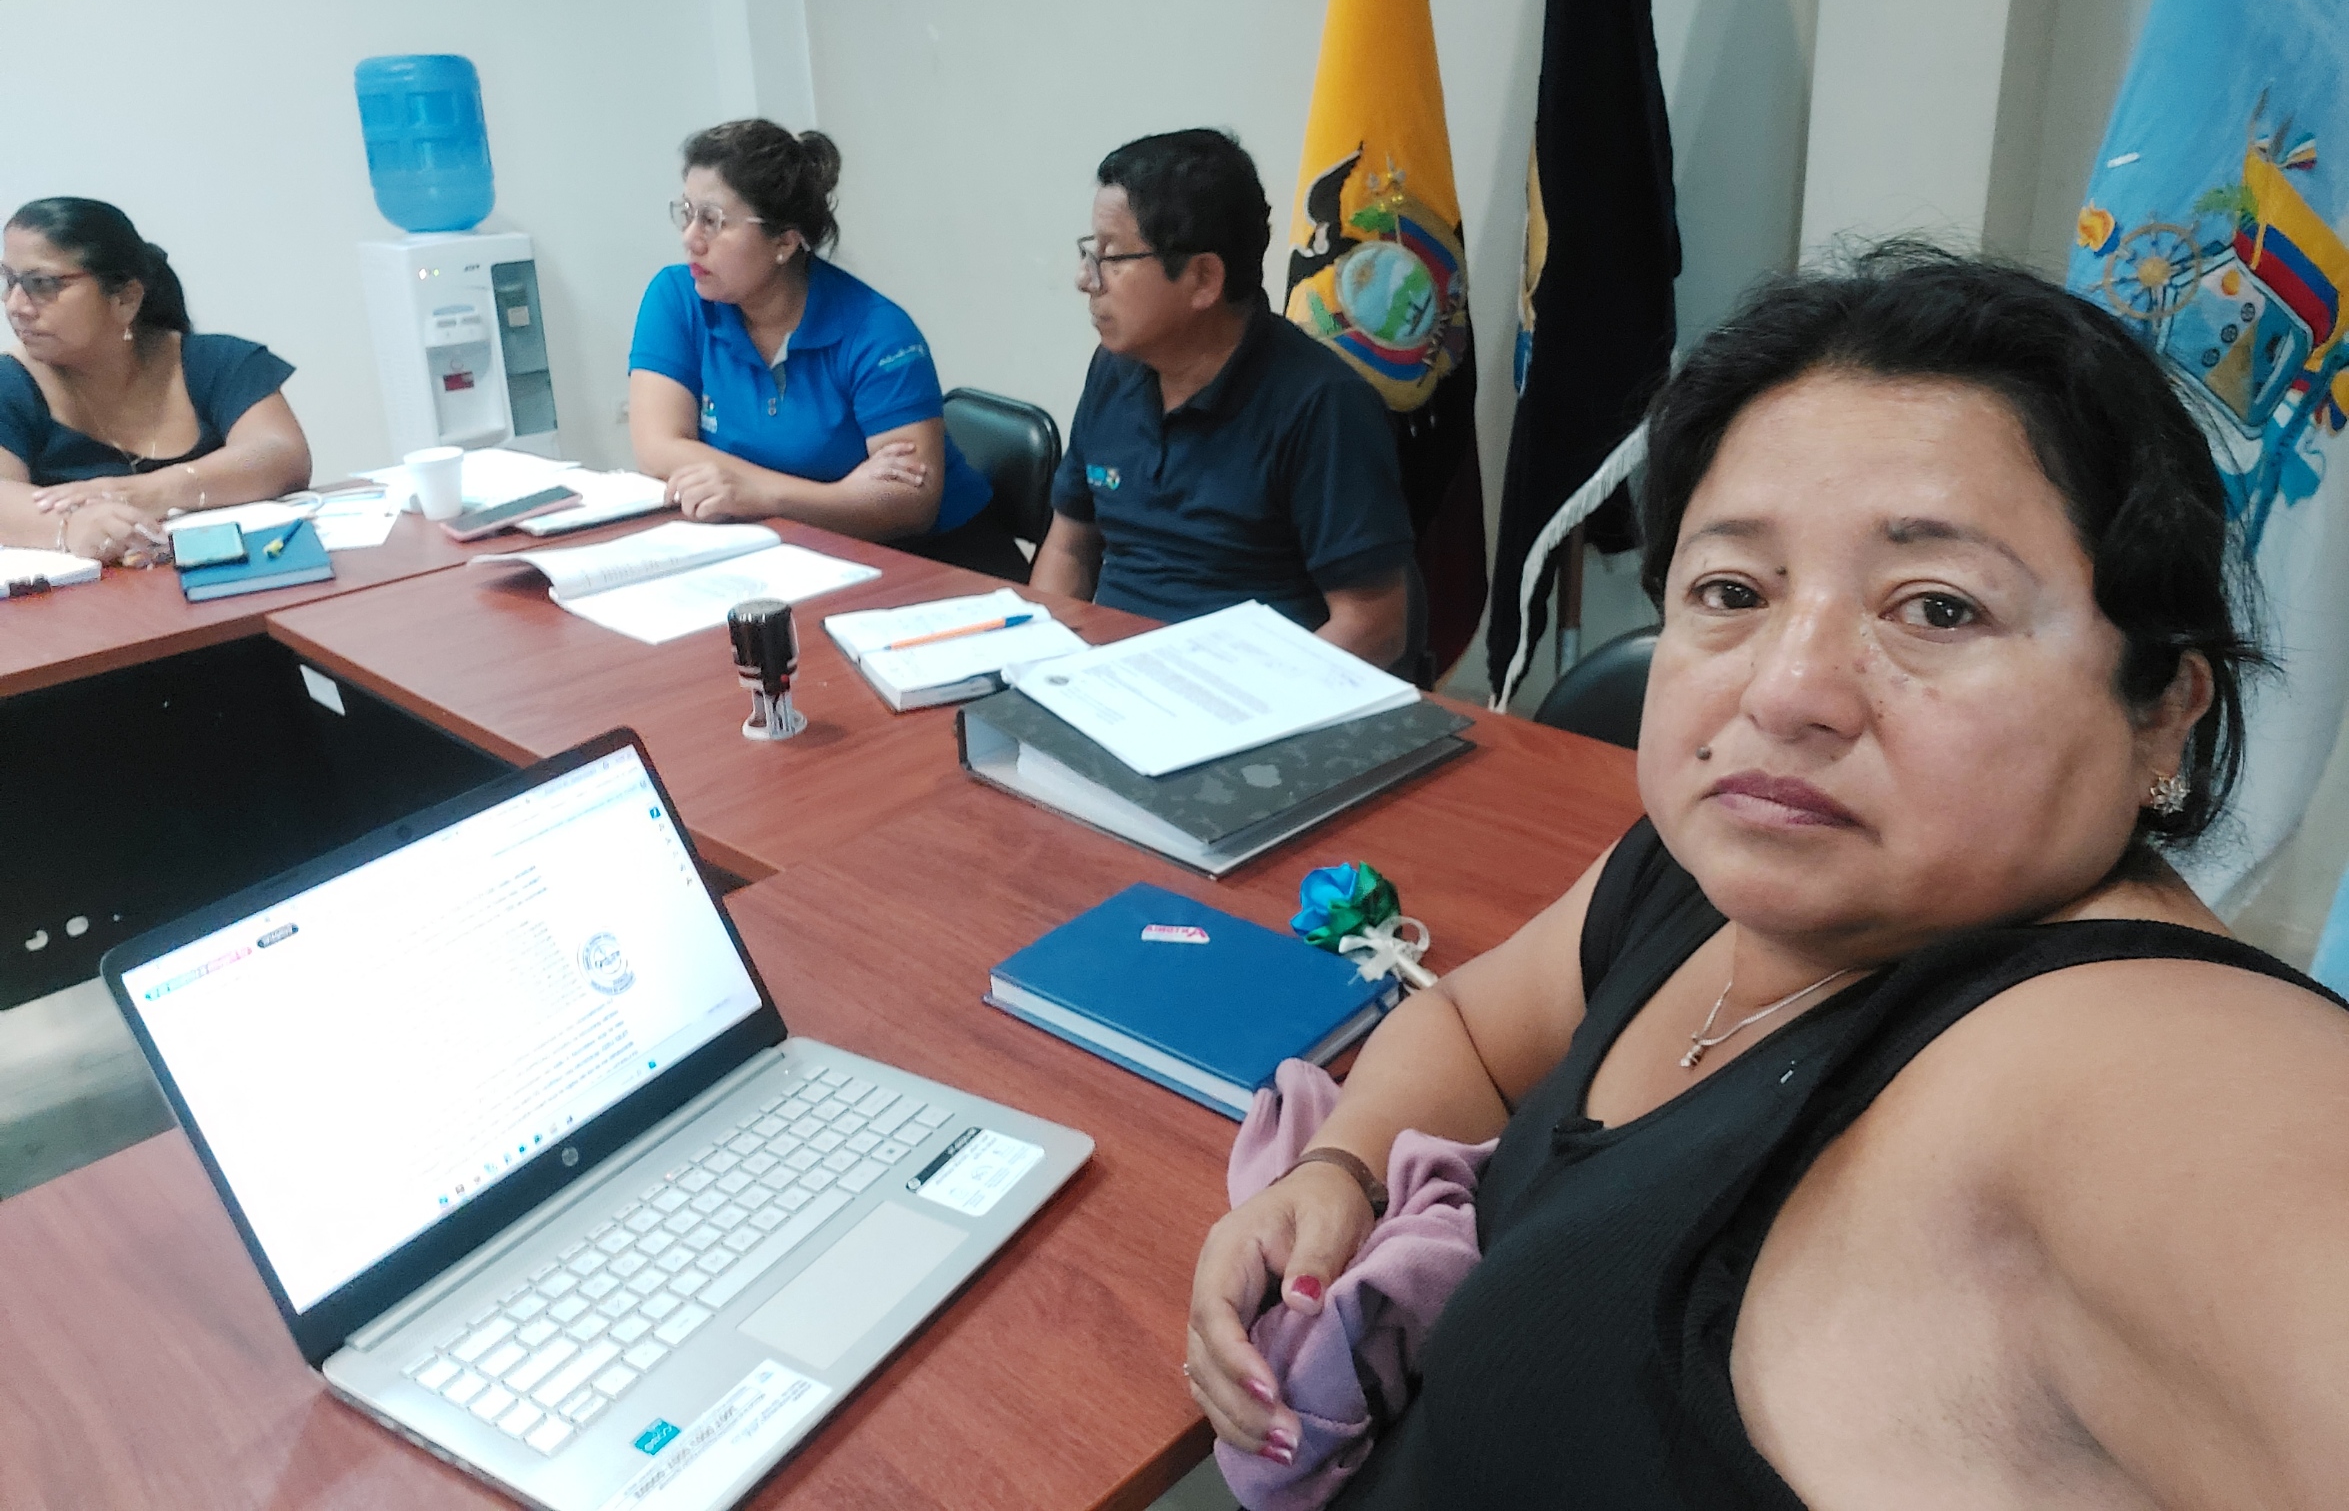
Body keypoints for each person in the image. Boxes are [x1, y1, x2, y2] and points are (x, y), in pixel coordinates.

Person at [1185, 243, 2349, 1508]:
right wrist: (1342, 1167)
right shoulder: (1711, 870)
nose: (1787, 692)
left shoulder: (2122, 1067)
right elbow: (1465, 1022)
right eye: (1733, 588)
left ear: (2163, 714)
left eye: (1937, 607)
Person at [1029, 130, 1415, 669]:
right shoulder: (1114, 370)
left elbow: (1374, 626)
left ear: (1204, 279)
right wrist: (1042, 664)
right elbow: (1070, 545)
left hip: (1249, 691)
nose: (1085, 279)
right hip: (1111, 678)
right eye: (1090, 253)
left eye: (1112, 257)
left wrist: (1249, 702)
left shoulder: (1323, 405)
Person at [627, 119, 1024, 579]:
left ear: (785, 240)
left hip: (935, 561)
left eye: (712, 220)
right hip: (796, 552)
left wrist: (763, 496)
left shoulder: (877, 331)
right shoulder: (678, 299)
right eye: (687, 213)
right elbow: (657, 449)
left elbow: (910, 504)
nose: (690, 238)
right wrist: (837, 496)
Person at [1, 198, 310, 567]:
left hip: (239, 578)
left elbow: (282, 454)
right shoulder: (10, 384)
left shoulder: (218, 361)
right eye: (9, 280)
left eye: (41, 284)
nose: (15, 306)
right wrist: (71, 527)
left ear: (126, 298)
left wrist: (150, 492)